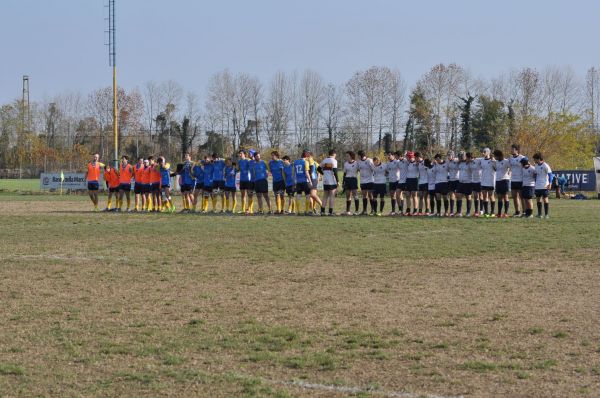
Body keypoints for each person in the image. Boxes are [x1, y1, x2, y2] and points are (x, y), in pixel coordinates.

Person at [533, 152, 553, 218]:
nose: (534, 160)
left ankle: (546, 214)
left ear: (538, 159)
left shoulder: (545, 165)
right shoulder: (536, 165)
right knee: (538, 199)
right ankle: (539, 214)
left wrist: (550, 184)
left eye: (535, 159)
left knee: (545, 199)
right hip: (538, 186)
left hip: (544, 185)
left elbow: (550, 175)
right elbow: (536, 174)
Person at [320, 150, 338, 216]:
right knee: (331, 196)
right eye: (335, 154)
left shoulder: (324, 160)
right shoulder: (334, 161)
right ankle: (330, 212)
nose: (336, 156)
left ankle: (322, 211)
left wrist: (323, 173)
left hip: (325, 181)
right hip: (332, 181)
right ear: (334, 154)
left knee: (325, 196)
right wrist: (337, 181)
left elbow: (318, 168)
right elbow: (335, 171)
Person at [293, 150, 312, 215]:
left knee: (298, 195)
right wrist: (310, 181)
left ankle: (298, 211)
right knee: (308, 195)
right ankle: (306, 211)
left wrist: (294, 181)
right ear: (306, 156)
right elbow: (307, 172)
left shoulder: (295, 162)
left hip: (298, 182)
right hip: (305, 181)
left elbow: (294, 172)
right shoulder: (305, 162)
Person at [493, 149, 511, 218]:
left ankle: (506, 213)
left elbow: (511, 167)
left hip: (505, 180)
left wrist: (509, 173)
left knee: (505, 196)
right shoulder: (496, 162)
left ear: (499, 155)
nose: (495, 157)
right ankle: (499, 213)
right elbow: (495, 169)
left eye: (495, 156)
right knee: (499, 197)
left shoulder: (506, 161)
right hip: (498, 181)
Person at [357, 150, 375, 215]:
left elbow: (374, 169)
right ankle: (364, 211)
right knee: (364, 195)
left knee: (370, 195)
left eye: (358, 155)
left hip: (370, 180)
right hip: (363, 181)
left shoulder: (369, 160)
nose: (358, 156)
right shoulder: (358, 162)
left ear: (360, 155)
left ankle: (372, 210)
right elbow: (358, 169)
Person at [509, 144, 525, 217]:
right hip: (513, 180)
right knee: (514, 196)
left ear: (517, 150)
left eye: (512, 149)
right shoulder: (510, 158)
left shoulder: (522, 157)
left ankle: (524, 212)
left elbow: (527, 166)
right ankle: (517, 212)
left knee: (522, 197)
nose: (511, 150)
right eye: (511, 149)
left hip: (521, 180)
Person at [480, 148, 496, 217]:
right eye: (483, 151)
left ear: (489, 152)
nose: (483, 153)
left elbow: (496, 169)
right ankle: (486, 212)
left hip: (491, 181)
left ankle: (492, 212)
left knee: (491, 196)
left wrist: (494, 161)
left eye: (485, 152)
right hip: (483, 181)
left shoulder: (492, 160)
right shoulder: (481, 160)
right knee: (484, 196)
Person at [343, 151, 360, 215]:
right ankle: (348, 211)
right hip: (347, 180)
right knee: (348, 195)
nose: (346, 157)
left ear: (351, 156)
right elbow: (344, 173)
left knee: (355, 195)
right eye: (346, 156)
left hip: (353, 180)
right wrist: (343, 182)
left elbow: (360, 170)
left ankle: (356, 211)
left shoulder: (356, 163)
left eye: (347, 156)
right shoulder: (345, 164)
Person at [456, 152, 472, 217]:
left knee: (468, 197)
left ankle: (468, 212)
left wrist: (470, 160)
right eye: (460, 156)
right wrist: (459, 161)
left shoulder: (470, 162)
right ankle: (459, 212)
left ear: (465, 156)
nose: (460, 157)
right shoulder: (460, 163)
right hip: (460, 182)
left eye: (462, 156)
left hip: (468, 182)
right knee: (459, 196)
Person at [237, 150, 253, 214]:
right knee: (243, 195)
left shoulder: (248, 160)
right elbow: (238, 169)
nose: (240, 155)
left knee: (249, 195)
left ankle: (250, 209)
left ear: (244, 154)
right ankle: (243, 209)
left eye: (241, 153)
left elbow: (252, 167)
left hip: (248, 180)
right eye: (239, 154)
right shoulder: (239, 161)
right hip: (242, 180)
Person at [405, 151, 419, 216]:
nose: (406, 158)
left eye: (407, 156)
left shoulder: (416, 163)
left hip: (414, 180)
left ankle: (415, 210)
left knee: (414, 195)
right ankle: (408, 210)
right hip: (408, 180)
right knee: (407, 195)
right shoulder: (407, 163)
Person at [469, 152, 483, 217]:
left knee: (481, 195)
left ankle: (482, 210)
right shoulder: (469, 162)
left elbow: (485, 158)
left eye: (467, 158)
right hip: (473, 181)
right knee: (475, 196)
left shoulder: (478, 160)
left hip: (480, 181)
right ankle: (476, 211)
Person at [447, 151, 460, 216]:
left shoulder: (457, 160)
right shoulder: (447, 161)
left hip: (457, 180)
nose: (448, 157)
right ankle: (451, 211)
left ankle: (458, 212)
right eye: (448, 155)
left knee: (457, 195)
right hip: (451, 180)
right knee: (451, 195)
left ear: (453, 155)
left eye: (449, 155)